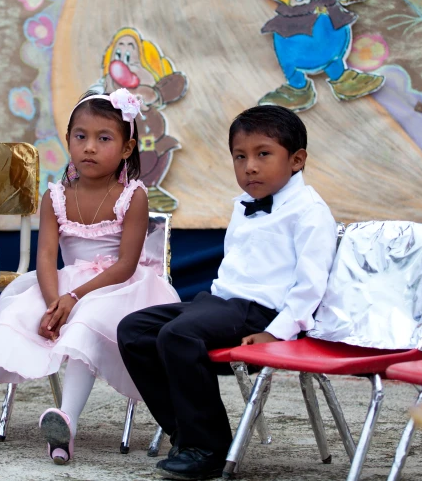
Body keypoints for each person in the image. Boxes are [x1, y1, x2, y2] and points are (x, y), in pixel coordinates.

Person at [0, 89, 180, 465]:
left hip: (119, 287)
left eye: (103, 138)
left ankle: (67, 421)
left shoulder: (133, 196)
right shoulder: (56, 195)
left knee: (86, 321)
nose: (89, 147)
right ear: (68, 141)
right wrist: (51, 300)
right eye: (81, 137)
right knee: (13, 317)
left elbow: (126, 264)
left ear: (126, 149)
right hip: (60, 287)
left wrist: (73, 299)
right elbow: (45, 258)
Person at [117, 105, 337, 480]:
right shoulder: (242, 205)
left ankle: (209, 448)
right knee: (134, 331)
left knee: (179, 334)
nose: (249, 166)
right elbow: (235, 268)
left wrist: (277, 332)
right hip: (222, 304)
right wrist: (207, 306)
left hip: (261, 313)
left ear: (297, 160)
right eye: (240, 156)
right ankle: (185, 434)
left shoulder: (310, 212)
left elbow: (310, 287)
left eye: (263, 154)